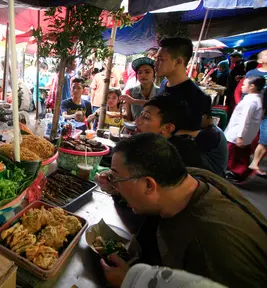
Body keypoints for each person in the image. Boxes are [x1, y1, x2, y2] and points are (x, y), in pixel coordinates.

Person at [97, 133, 267, 288]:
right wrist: (117, 188)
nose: (115, 183)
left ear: (149, 184)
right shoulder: (190, 178)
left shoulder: (209, 244)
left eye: (117, 178)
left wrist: (131, 282)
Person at [155, 37, 212, 131]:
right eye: (156, 59)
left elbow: (193, 135)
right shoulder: (164, 84)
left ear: (178, 62)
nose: (155, 63)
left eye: (160, 59)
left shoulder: (197, 97)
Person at [135, 96, 203, 169]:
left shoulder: (171, 157)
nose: (137, 121)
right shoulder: (153, 143)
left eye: (146, 117)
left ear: (167, 128)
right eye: (141, 114)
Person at [225, 76, 265, 182]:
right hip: (243, 135)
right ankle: (240, 174)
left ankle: (235, 174)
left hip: (237, 135)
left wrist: (240, 136)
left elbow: (245, 120)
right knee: (240, 156)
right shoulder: (254, 99)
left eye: (244, 84)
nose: (242, 86)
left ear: (252, 86)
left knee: (232, 156)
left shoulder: (251, 101)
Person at [248, 50, 267, 175]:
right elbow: (243, 88)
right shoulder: (252, 73)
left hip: (266, 110)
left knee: (265, 138)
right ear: (260, 60)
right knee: (247, 134)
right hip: (252, 108)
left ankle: (254, 162)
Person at [195, 113, 228, 178]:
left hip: (215, 173)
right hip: (218, 170)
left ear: (208, 117)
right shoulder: (214, 129)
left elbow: (194, 151)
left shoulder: (211, 133)